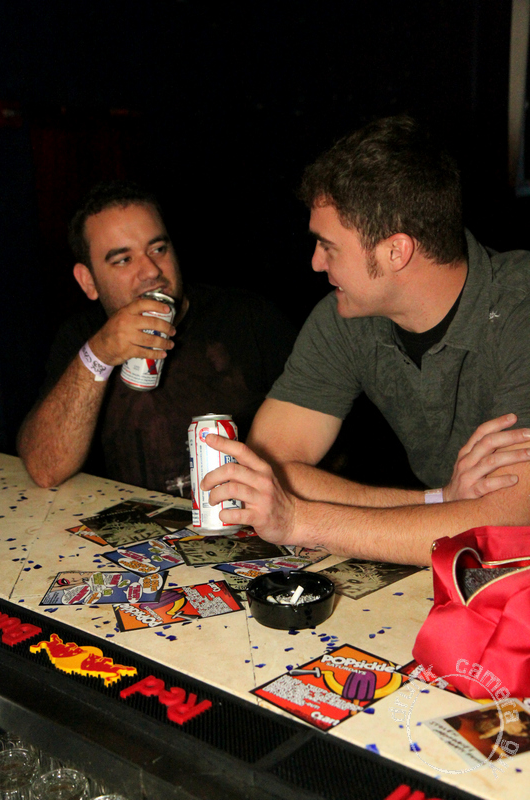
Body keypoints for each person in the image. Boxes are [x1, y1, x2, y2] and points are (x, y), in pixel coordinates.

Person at [198, 115, 530, 565]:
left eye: (329, 246)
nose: (315, 263)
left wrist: (299, 521)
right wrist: (438, 501)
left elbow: (506, 526)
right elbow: (268, 469)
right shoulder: (347, 316)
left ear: (396, 251)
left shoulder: (520, 310)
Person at [17, 181, 298, 496]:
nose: (150, 270)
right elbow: (46, 468)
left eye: (158, 249)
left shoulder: (247, 317)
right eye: (123, 260)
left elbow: (322, 448)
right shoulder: (83, 336)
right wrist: (99, 355)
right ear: (88, 282)